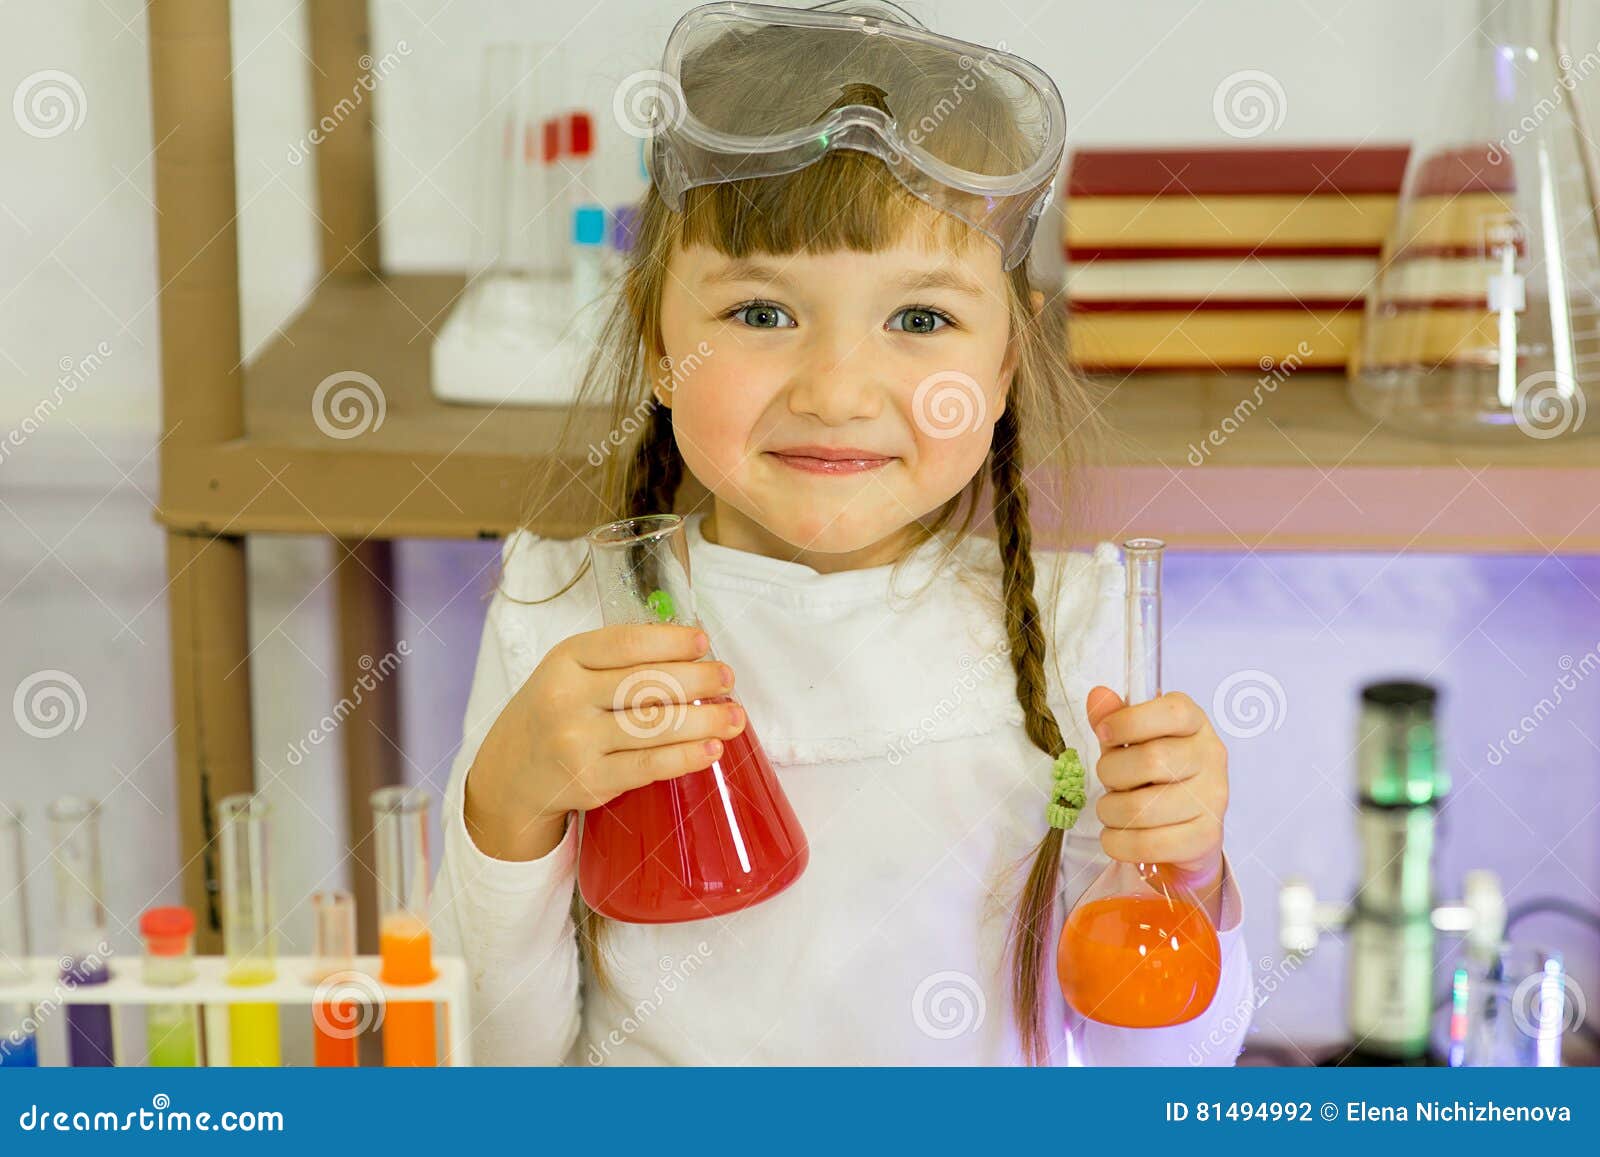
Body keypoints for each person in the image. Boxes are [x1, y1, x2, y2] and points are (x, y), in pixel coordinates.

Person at [432, 0, 1251, 1065]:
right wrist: (505, 807)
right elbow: (484, 1070)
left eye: (920, 319)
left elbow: (1165, 1073)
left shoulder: (1085, 637)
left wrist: (1185, 875)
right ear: (653, 333)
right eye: (762, 313)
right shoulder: (561, 620)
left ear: (1005, 360)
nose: (835, 390)